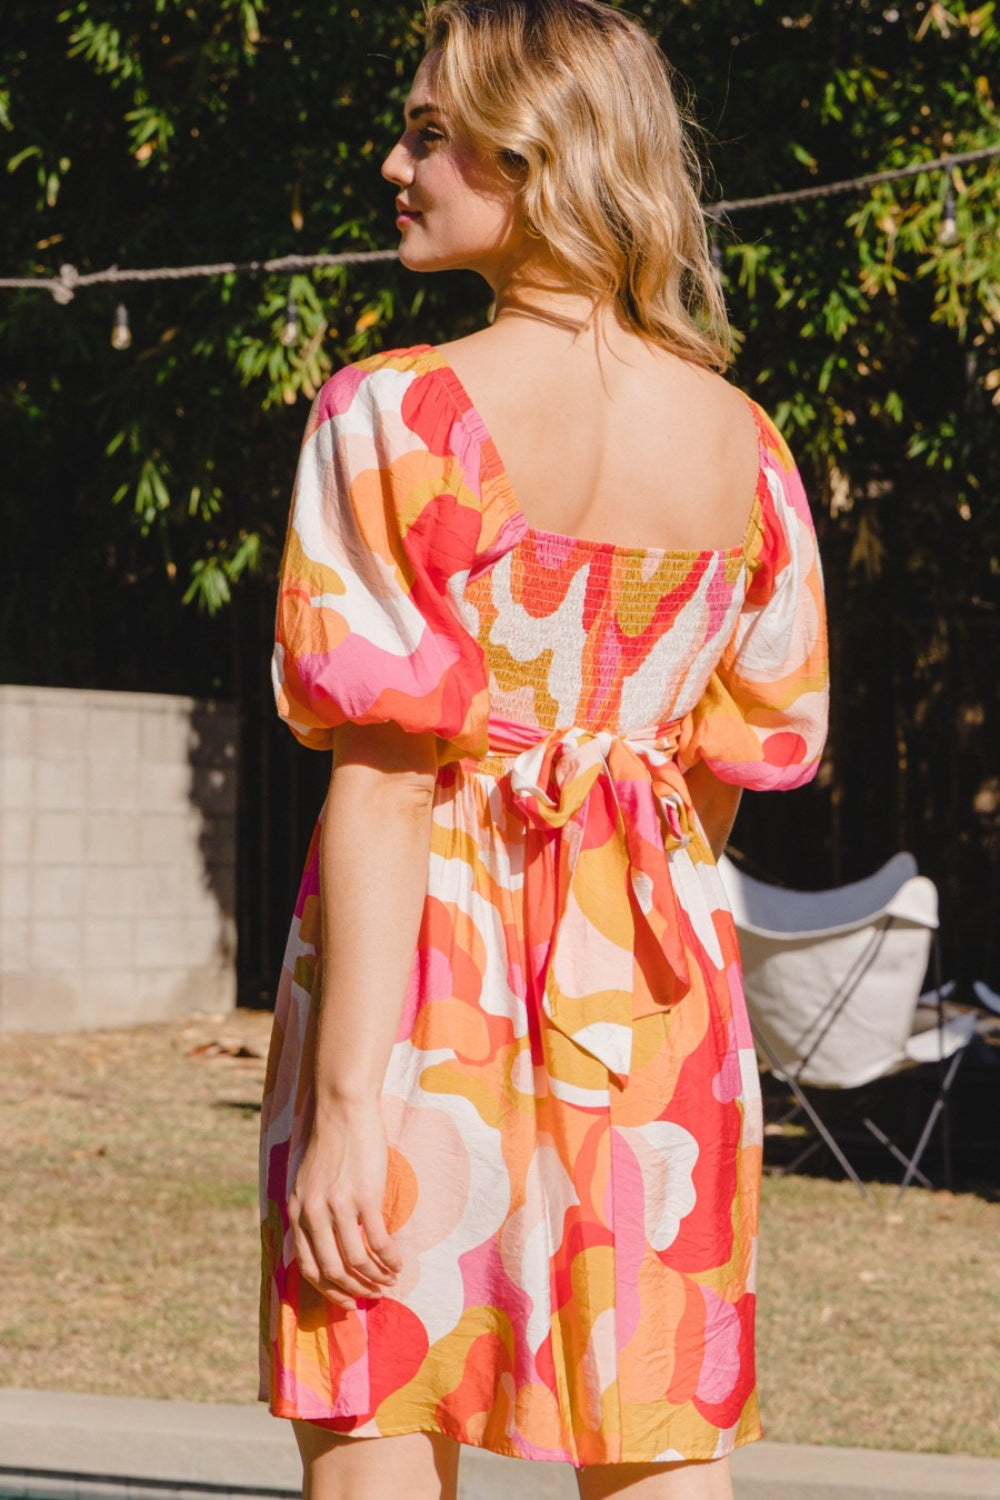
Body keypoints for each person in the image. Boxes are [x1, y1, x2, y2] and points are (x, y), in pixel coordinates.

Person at [259, 2, 828, 1497]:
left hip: (417, 996)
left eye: (430, 136)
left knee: (382, 1406)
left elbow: (386, 780)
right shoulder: (750, 449)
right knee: (654, 1442)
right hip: (650, 1001)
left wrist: (346, 1111)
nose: (396, 167)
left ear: (538, 156)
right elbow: (734, 763)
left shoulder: (394, 414)